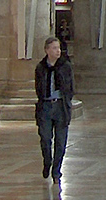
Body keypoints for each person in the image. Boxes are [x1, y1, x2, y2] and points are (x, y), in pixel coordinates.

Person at [34, 36, 74, 184]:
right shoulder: (41, 67)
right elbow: (38, 87)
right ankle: (47, 161)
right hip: (45, 105)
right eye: (54, 48)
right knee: (45, 138)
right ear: (47, 50)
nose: (58, 51)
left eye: (58, 48)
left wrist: (66, 100)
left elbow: (70, 87)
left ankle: (56, 171)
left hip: (60, 106)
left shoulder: (66, 66)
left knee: (61, 141)